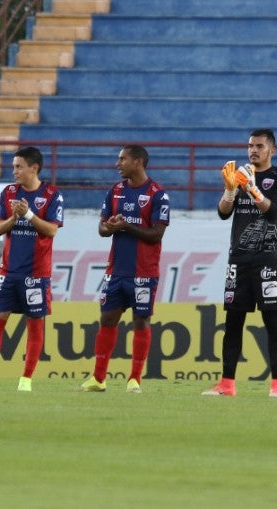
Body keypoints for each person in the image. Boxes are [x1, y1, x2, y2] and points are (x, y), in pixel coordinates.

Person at [204, 129, 277, 398]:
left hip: (268, 257)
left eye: (259, 146)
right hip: (239, 258)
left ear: (271, 151)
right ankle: (227, 384)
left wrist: (252, 189)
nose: (253, 150)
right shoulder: (239, 173)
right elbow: (223, 213)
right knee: (233, 322)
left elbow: (274, 211)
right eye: (250, 146)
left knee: (273, 323)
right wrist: (231, 191)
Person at [0, 146, 63, 392]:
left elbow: (52, 230)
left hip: (36, 274)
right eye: (13, 167)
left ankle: (26, 381)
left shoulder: (52, 195)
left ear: (34, 168)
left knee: (35, 324)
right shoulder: (8, 192)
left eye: (19, 167)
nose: (14, 172)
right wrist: (14, 218)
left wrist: (29, 214)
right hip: (9, 272)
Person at [80, 145, 169, 393]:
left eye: (122, 159)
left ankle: (134, 380)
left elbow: (156, 234)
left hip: (144, 272)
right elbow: (101, 228)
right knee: (107, 318)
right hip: (116, 270)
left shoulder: (157, 194)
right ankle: (98, 378)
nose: (117, 164)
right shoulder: (116, 191)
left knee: (140, 322)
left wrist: (126, 226)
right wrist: (111, 226)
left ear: (138, 162)